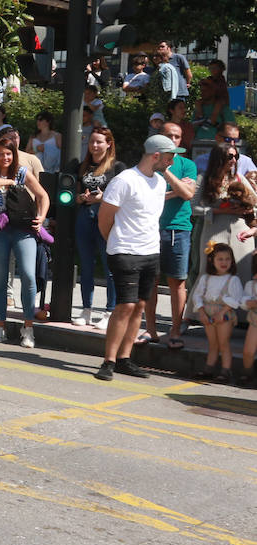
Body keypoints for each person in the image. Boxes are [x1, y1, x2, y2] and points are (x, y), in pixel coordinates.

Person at [94, 134, 182, 381]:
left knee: (140, 305)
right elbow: (105, 218)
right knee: (126, 305)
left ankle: (124, 358)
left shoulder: (158, 182)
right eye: (169, 157)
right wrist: (115, 241)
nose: (171, 162)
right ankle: (108, 361)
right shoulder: (125, 180)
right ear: (156, 156)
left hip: (150, 251)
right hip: (124, 251)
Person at [0, 133, 48, 346]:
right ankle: (0, 327)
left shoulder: (22, 171)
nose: (5, 158)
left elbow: (42, 195)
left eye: (9, 154)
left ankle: (28, 328)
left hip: (21, 227)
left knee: (28, 275)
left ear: (14, 154)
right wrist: (10, 181)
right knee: (0, 278)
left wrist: (41, 218)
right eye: (1, 154)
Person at [143, 122, 198, 349]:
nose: (174, 140)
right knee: (151, 282)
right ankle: (151, 330)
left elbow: (187, 194)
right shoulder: (148, 164)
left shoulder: (187, 165)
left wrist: (165, 173)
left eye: (177, 137)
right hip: (150, 228)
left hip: (178, 228)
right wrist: (174, 191)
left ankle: (175, 331)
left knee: (177, 282)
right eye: (169, 136)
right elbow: (145, 197)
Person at [73, 128, 125, 326]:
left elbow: (123, 197)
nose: (95, 146)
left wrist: (103, 198)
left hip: (107, 218)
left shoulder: (118, 167)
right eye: (92, 142)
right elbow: (75, 196)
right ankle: (86, 310)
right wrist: (82, 198)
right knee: (86, 266)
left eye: (99, 142)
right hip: (85, 216)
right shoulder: (83, 167)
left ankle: (109, 312)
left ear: (109, 144)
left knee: (109, 266)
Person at [195, 142, 257, 285]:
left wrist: (253, 225)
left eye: (236, 156)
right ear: (219, 157)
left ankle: (241, 307)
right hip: (213, 229)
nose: (234, 160)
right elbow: (193, 208)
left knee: (243, 272)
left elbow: (255, 204)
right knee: (210, 273)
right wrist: (219, 211)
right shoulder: (204, 179)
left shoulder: (240, 178)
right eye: (230, 156)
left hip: (241, 232)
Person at [189, 242, 242, 382]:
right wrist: (201, 312)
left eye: (227, 259)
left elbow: (236, 300)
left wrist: (222, 311)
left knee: (223, 343)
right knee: (213, 343)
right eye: (220, 259)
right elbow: (197, 295)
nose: (224, 262)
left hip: (224, 315)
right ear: (212, 260)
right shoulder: (205, 278)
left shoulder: (233, 279)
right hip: (207, 313)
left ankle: (226, 371)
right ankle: (209, 368)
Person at [193, 73, 234, 142]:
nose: (202, 93)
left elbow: (231, 131)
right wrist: (199, 112)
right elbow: (193, 128)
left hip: (217, 147)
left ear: (214, 91)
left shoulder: (224, 109)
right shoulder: (198, 106)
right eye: (201, 91)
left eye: (205, 91)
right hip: (198, 145)